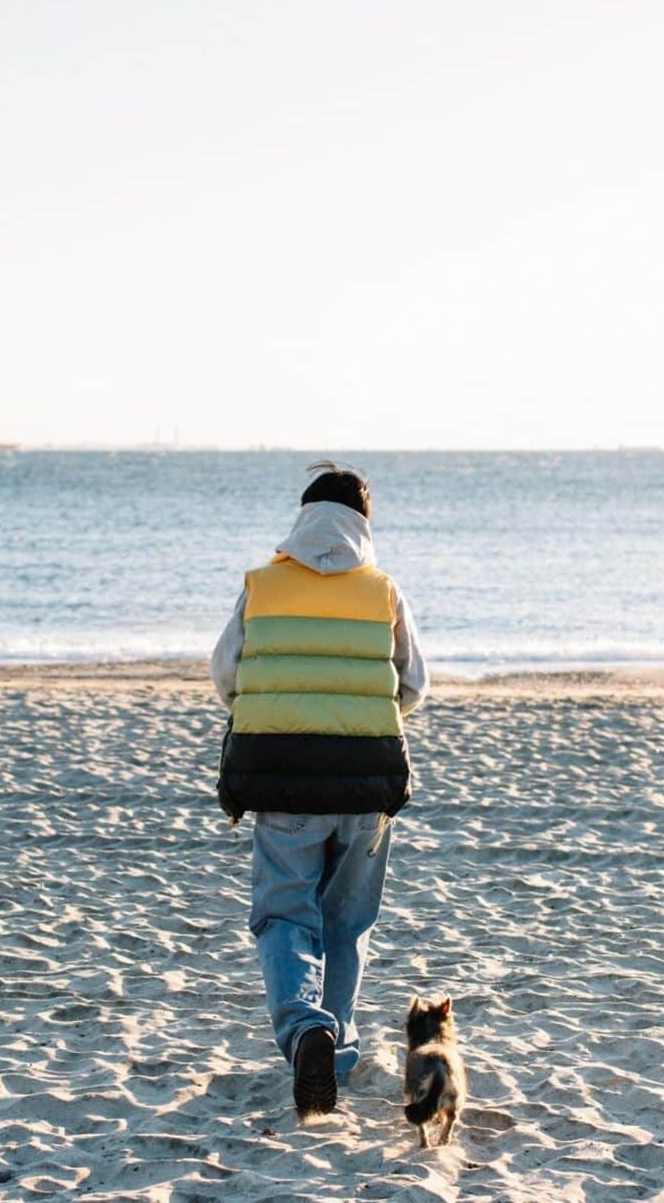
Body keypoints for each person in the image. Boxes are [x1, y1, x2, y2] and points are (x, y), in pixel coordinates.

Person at [210, 462, 429, 1115]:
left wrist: (279, 711)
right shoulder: (382, 591)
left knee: (284, 915)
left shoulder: (263, 586)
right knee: (347, 922)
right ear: (364, 522)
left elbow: (228, 673)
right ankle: (334, 1052)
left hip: (284, 780)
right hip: (366, 787)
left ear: (303, 518)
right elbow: (411, 685)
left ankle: (306, 1030)